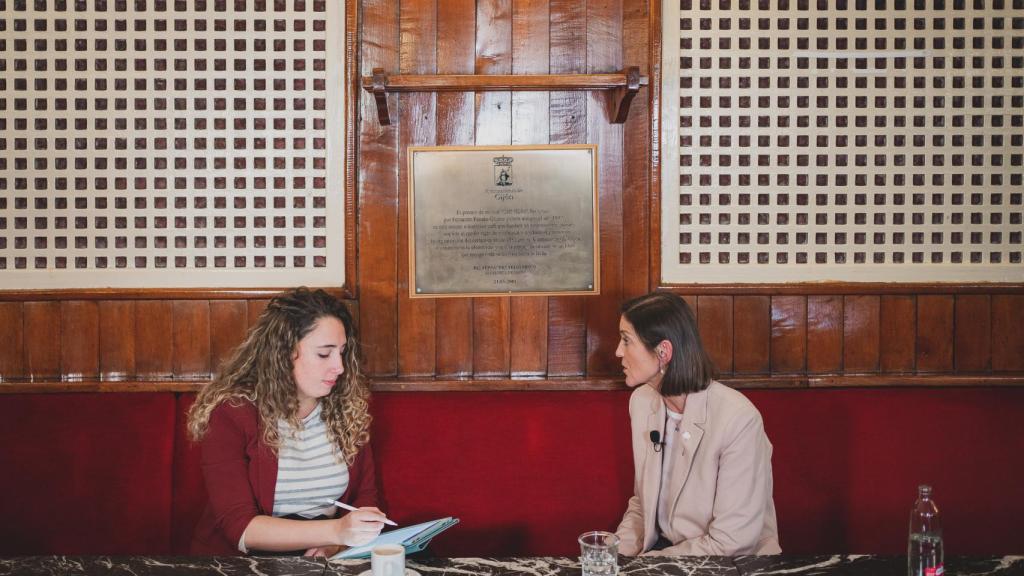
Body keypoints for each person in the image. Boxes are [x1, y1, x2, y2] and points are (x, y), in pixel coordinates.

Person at [188, 287, 387, 556]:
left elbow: (364, 500)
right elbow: (241, 527)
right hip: (243, 563)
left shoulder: (347, 409)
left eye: (341, 352)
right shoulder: (232, 413)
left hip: (319, 560)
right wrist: (335, 530)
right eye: (324, 353)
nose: (339, 367)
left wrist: (335, 544)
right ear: (283, 353)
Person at [614, 292, 780, 556]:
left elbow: (732, 542)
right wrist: (614, 558)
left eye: (626, 340)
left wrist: (647, 565)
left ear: (663, 351)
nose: (618, 351)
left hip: (730, 564)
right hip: (663, 556)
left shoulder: (739, 419)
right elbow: (641, 506)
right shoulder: (642, 402)